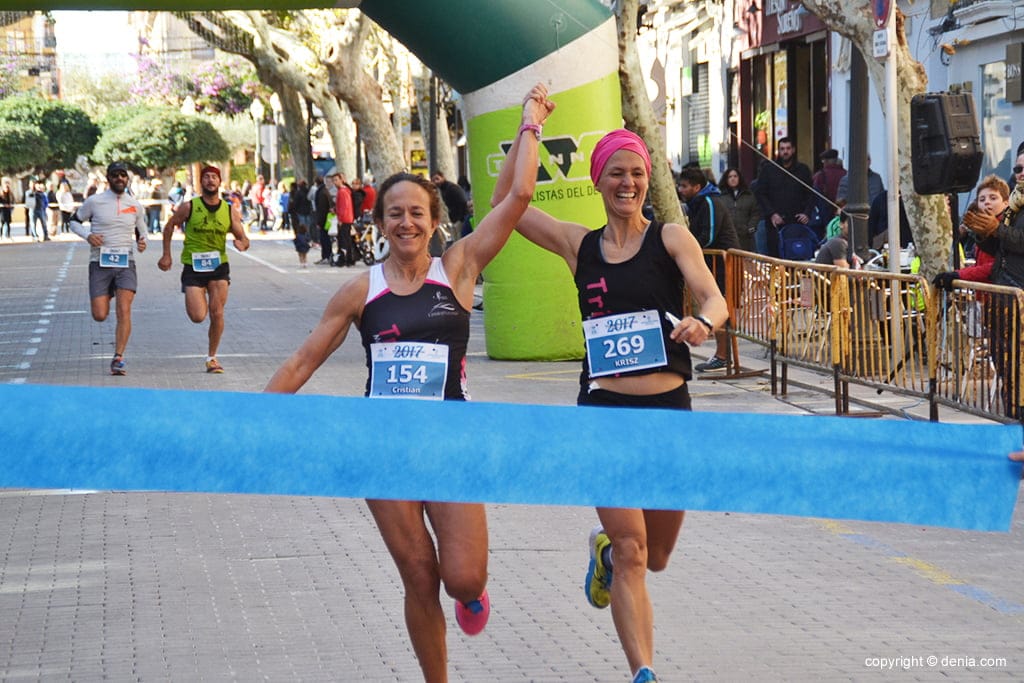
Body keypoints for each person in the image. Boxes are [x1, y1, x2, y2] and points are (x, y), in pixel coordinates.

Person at [264, 83, 553, 683]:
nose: (406, 222)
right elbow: (302, 361)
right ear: (380, 222)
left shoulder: (459, 269)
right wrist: (245, 423)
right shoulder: (359, 290)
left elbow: (520, 195)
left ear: (433, 221)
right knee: (419, 574)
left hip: (451, 440)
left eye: (417, 213)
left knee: (462, 577)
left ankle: (472, 594)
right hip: (382, 446)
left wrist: (531, 123)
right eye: (395, 213)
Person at [496, 127, 728, 683]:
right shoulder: (580, 246)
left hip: (669, 411)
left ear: (648, 180)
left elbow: (715, 297)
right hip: (602, 413)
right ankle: (643, 671)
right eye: (616, 173)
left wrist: (704, 322)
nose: (628, 182)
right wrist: (529, 128)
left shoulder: (671, 238)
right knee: (633, 549)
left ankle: (600, 556)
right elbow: (511, 202)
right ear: (598, 180)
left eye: (637, 173)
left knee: (659, 554)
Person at [158, 165, 250, 374]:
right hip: (193, 266)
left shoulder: (228, 210)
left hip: (218, 266)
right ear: (202, 183)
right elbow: (170, 226)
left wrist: (242, 244)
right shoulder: (190, 207)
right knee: (198, 316)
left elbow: (243, 238)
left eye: (214, 177)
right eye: (206, 177)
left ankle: (212, 357)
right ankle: (199, 299)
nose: (210, 181)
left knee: (217, 312)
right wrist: (166, 254)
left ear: (219, 182)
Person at [68, 162, 148, 375]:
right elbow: (73, 222)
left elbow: (142, 231)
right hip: (100, 263)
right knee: (100, 314)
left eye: (123, 175)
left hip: (125, 264)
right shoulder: (95, 202)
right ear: (109, 178)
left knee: (124, 310)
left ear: (127, 179)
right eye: (115, 175)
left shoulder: (135, 205)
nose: (120, 179)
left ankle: (118, 357)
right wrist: (88, 236)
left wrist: (142, 242)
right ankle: (108, 292)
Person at [677, 166, 740, 373]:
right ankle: (723, 354)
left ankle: (723, 355)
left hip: (724, 264)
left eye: (684, 186)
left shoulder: (710, 202)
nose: (680, 189)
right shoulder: (697, 204)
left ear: (697, 187)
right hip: (712, 264)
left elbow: (709, 235)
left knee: (722, 307)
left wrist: (688, 251)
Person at [753, 136, 814, 257]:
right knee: (775, 256)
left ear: (793, 150)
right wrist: (772, 213)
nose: (785, 152)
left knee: (796, 255)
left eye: (788, 148)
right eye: (782, 149)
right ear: (778, 151)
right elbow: (760, 193)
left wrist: (807, 213)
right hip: (775, 223)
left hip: (796, 222)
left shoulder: (803, 170)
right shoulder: (769, 169)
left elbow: (811, 194)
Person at [719, 167, 760, 252]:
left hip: (745, 237)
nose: (733, 179)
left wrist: (751, 227)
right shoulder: (721, 197)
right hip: (728, 237)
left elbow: (755, 212)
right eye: (730, 177)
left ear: (739, 178)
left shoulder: (748, 195)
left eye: (735, 176)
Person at [431, 170, 469, 235]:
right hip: (455, 220)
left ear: (443, 177)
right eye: (433, 180)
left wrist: (459, 219)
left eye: (437, 179)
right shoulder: (443, 189)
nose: (436, 182)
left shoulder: (451, 188)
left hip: (460, 220)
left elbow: (462, 202)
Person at [332, 173, 356, 266]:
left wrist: (340, 218)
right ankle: (349, 258)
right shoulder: (346, 191)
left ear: (342, 180)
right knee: (347, 239)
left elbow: (343, 206)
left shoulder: (342, 192)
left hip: (344, 219)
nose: (335, 182)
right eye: (334, 180)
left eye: (336, 180)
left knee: (343, 240)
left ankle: (343, 259)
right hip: (348, 218)